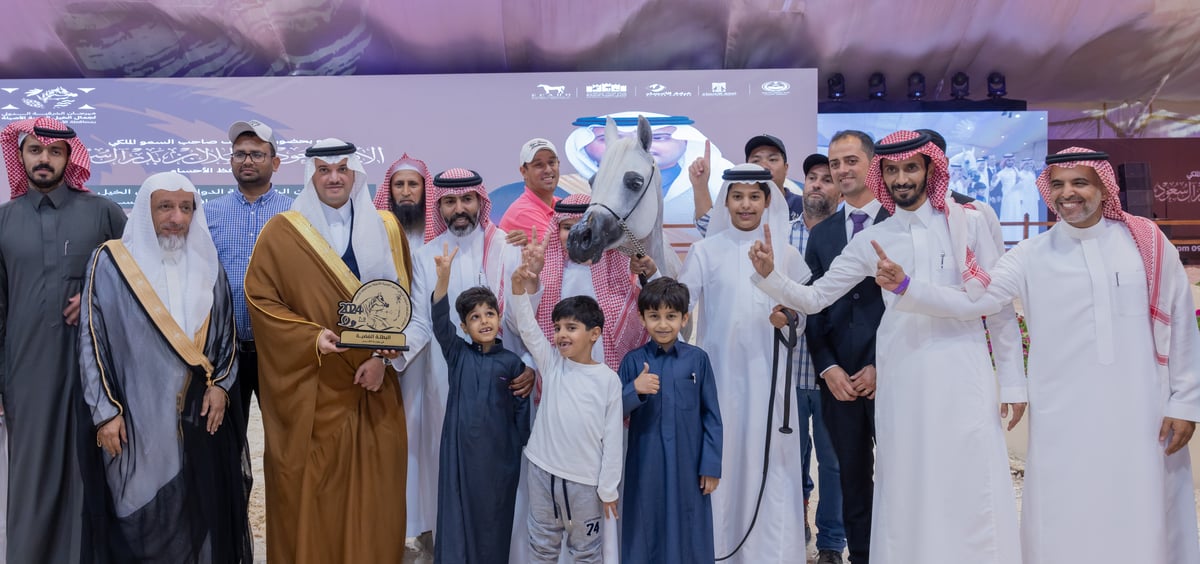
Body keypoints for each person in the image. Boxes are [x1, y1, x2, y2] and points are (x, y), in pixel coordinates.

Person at [875, 147, 1200, 564]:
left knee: (1142, 508)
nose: (1068, 193)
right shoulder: (1030, 254)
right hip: (1063, 417)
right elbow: (974, 300)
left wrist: (1184, 401)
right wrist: (908, 287)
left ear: (1104, 187)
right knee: (1063, 513)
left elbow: (1181, 323)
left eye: (1080, 182)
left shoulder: (1146, 244)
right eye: (1058, 185)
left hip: (1140, 409)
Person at [748, 130, 1025, 564]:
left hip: (961, 370)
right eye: (891, 170)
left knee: (968, 475)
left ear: (930, 169)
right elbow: (816, 297)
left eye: (910, 168)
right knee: (906, 479)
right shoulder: (874, 239)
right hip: (903, 373)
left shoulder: (968, 222)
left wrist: (1013, 383)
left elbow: (995, 304)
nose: (901, 179)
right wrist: (770, 277)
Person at [244, 139, 411, 563]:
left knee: (374, 500)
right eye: (323, 170)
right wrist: (309, 338)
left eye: (341, 169)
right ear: (310, 175)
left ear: (355, 173)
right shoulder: (283, 232)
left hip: (373, 388)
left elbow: (403, 305)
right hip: (313, 390)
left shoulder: (387, 228)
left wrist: (380, 360)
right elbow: (261, 300)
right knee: (312, 495)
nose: (333, 178)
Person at [78, 171, 251, 563]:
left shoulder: (208, 263)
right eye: (165, 208)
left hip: (197, 418)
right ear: (145, 211)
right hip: (133, 420)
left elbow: (226, 335)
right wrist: (105, 413)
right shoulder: (111, 262)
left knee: (200, 517)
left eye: (186, 208)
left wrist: (222, 386)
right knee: (135, 516)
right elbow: (92, 340)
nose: (177, 218)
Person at [658, 163, 811, 562]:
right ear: (725, 202)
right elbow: (680, 306)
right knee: (722, 461)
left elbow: (804, 311)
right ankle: (720, 550)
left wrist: (788, 317)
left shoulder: (787, 253)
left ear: (766, 201)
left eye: (754, 196)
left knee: (769, 462)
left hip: (770, 379)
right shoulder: (705, 251)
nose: (746, 205)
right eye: (738, 196)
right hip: (719, 379)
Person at [0, 116, 126, 564]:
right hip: (26, 373)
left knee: (94, 471)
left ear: (69, 158)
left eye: (55, 152)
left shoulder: (104, 213)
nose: (44, 159)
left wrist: (95, 299)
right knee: (32, 476)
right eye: (35, 150)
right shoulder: (3, 221)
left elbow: (139, 285)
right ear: (20, 156)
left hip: (98, 374)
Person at [393, 167, 532, 550]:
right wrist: (393, 352)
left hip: (506, 378)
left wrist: (532, 365)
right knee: (450, 464)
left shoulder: (506, 247)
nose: (459, 209)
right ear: (439, 207)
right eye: (450, 201)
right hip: (447, 380)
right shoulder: (425, 255)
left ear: (479, 201)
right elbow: (422, 322)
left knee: (505, 467)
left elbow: (526, 316)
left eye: (467, 199)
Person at [802, 129, 886, 564]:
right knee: (852, 477)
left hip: (891, 373)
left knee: (902, 472)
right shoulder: (822, 234)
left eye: (851, 160)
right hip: (838, 382)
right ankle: (863, 556)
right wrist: (827, 367)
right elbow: (813, 307)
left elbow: (912, 306)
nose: (841, 170)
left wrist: (881, 365)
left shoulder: (901, 222)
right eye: (835, 163)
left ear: (872, 164)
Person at [509, 263, 623, 564]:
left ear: (594, 334)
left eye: (571, 328)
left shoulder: (608, 380)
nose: (561, 334)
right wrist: (518, 289)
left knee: (586, 552)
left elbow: (612, 441)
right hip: (541, 471)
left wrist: (608, 489)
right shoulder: (551, 363)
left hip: (584, 483)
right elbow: (528, 328)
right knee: (542, 548)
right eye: (558, 327)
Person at [429, 243, 530, 564]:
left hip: (499, 461)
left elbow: (521, 414)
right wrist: (443, 278)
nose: (484, 321)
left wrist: (518, 449)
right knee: (457, 520)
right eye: (475, 317)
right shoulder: (457, 354)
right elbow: (439, 321)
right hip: (459, 457)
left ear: (499, 318)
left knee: (493, 522)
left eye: (490, 314)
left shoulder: (512, 363)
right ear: (464, 327)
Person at [618, 277, 722, 564]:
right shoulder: (632, 361)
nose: (663, 324)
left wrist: (711, 465)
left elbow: (711, 415)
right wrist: (634, 390)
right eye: (654, 316)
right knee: (645, 525)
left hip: (689, 465)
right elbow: (613, 413)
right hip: (645, 464)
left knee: (691, 528)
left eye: (671, 316)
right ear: (642, 318)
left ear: (684, 318)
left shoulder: (698, 360)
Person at [205, 119, 292, 433]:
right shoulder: (208, 213)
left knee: (286, 436)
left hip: (279, 350)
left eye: (257, 154)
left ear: (275, 163)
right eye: (240, 154)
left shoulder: (296, 214)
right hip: (224, 352)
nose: (247, 161)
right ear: (231, 161)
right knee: (225, 440)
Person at [519, 194, 648, 371]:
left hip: (607, 369)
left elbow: (640, 318)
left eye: (586, 227)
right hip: (560, 369)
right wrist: (533, 275)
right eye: (567, 227)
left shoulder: (620, 265)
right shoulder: (545, 268)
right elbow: (526, 320)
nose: (576, 234)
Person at [563, 111, 733, 224]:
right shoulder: (569, 186)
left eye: (658, 138)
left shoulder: (717, 181)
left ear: (686, 141)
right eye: (616, 138)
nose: (635, 146)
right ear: (584, 145)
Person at [692, 134, 804, 231]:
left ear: (786, 168)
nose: (764, 166)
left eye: (772, 160)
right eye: (756, 161)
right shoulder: (735, 206)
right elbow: (709, 227)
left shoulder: (803, 205)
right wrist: (700, 185)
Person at [498, 138, 562, 238]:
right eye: (539, 165)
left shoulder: (561, 203)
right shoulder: (523, 213)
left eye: (551, 162)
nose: (548, 170)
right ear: (524, 171)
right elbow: (566, 247)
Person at [372, 153, 431, 250]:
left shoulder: (437, 233)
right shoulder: (375, 231)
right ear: (390, 190)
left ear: (425, 189)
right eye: (399, 185)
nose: (405, 192)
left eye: (413, 184)